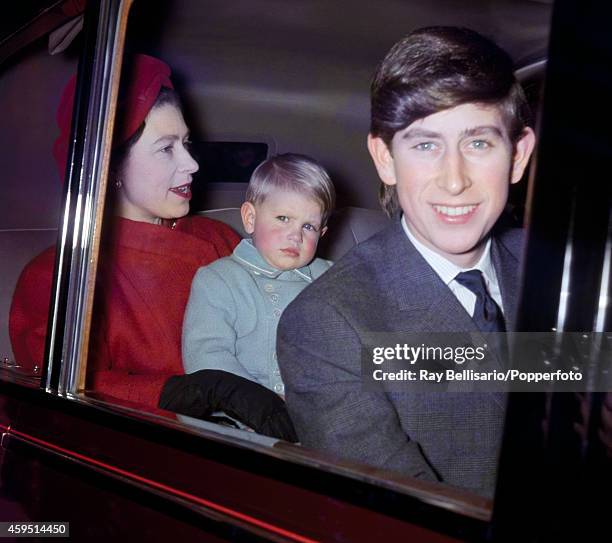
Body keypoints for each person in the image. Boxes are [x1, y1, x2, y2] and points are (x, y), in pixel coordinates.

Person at [277, 27, 536, 497]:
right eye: (424, 145)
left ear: (517, 156)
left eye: (478, 143)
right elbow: (402, 517)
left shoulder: (564, 275)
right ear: (385, 159)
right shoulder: (326, 324)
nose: (454, 181)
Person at [9, 54, 240, 409]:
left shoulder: (219, 238)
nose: (192, 164)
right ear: (111, 166)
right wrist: (181, 394)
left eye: (186, 143)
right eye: (166, 149)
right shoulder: (60, 276)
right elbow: (67, 390)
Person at [159, 154, 333, 440]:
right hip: (246, 424)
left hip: (327, 418)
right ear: (251, 218)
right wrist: (257, 408)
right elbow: (208, 357)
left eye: (308, 226)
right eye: (283, 218)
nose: (295, 236)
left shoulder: (332, 278)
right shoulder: (219, 279)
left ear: (322, 233)